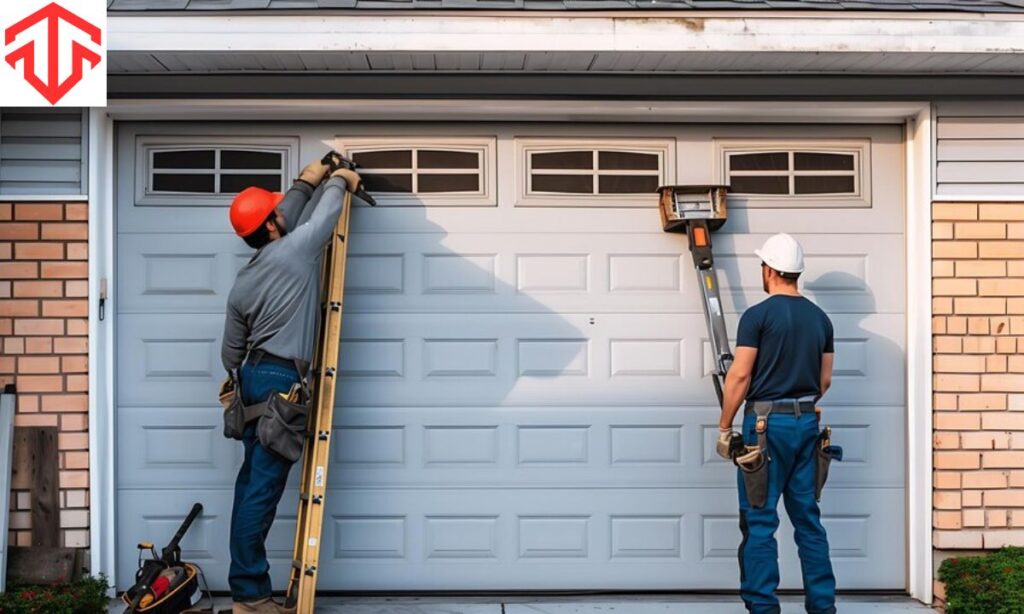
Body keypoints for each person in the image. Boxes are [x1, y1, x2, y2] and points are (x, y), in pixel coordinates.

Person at [220, 157, 362, 614]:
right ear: (275, 224)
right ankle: (250, 598)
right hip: (284, 379)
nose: (284, 214)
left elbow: (229, 355)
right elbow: (323, 218)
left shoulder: (244, 281)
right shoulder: (297, 250)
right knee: (261, 491)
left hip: (252, 380)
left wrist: (307, 179)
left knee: (249, 486)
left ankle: (247, 589)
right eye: (279, 213)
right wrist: (341, 180)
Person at [715, 233, 837, 614]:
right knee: (808, 521)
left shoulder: (758, 316)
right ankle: (822, 607)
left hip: (765, 429)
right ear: (796, 272)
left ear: (767, 270)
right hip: (805, 427)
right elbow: (825, 380)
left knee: (760, 520)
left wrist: (725, 427)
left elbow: (739, 376)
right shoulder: (821, 319)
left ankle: (763, 608)